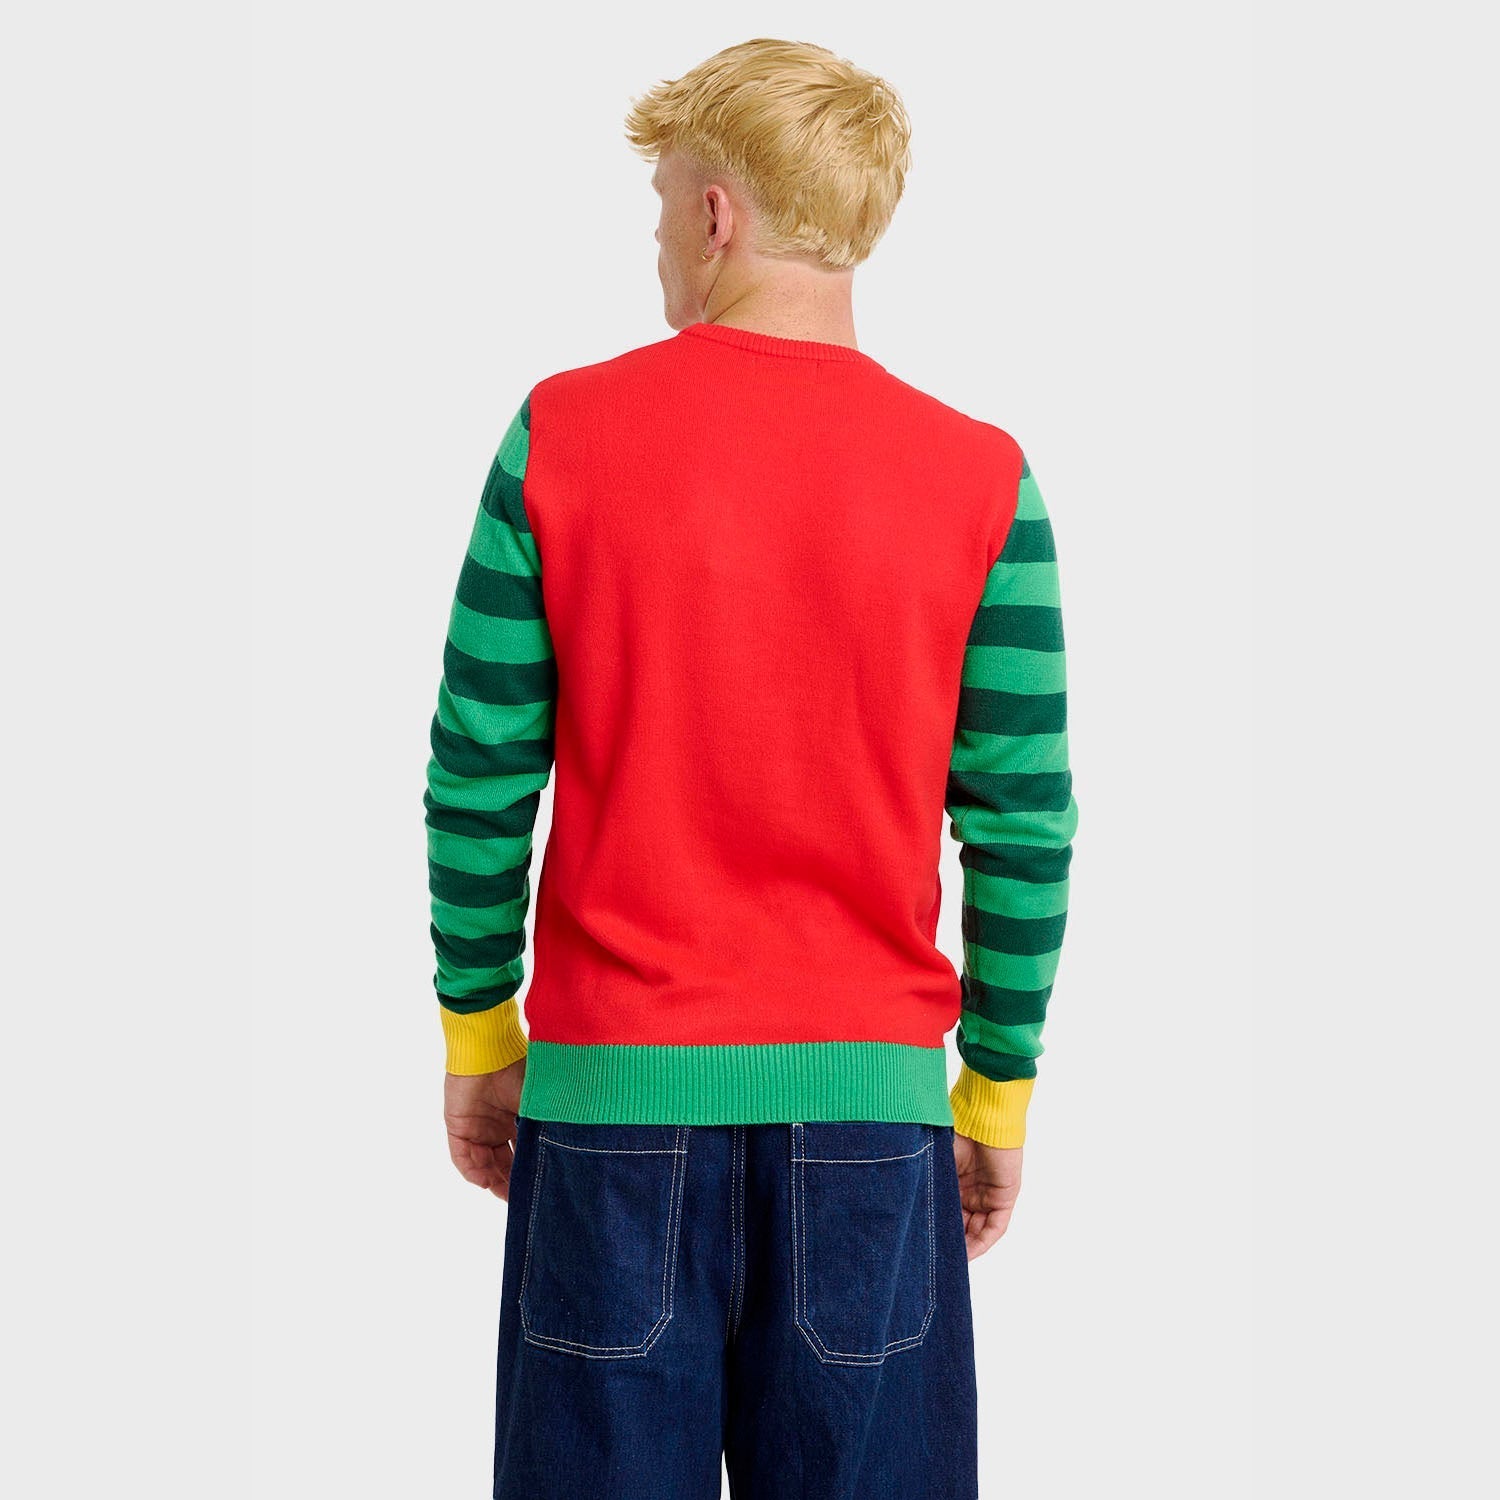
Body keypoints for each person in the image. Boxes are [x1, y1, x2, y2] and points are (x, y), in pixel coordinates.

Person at [423, 36, 1079, 1500]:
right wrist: (993, 1094)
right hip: (871, 1132)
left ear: (715, 213)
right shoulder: (983, 479)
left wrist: (479, 1036)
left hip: (609, 1120)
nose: (658, 237)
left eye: (661, 202)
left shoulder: (562, 436)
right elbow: (1025, 822)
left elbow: (479, 768)